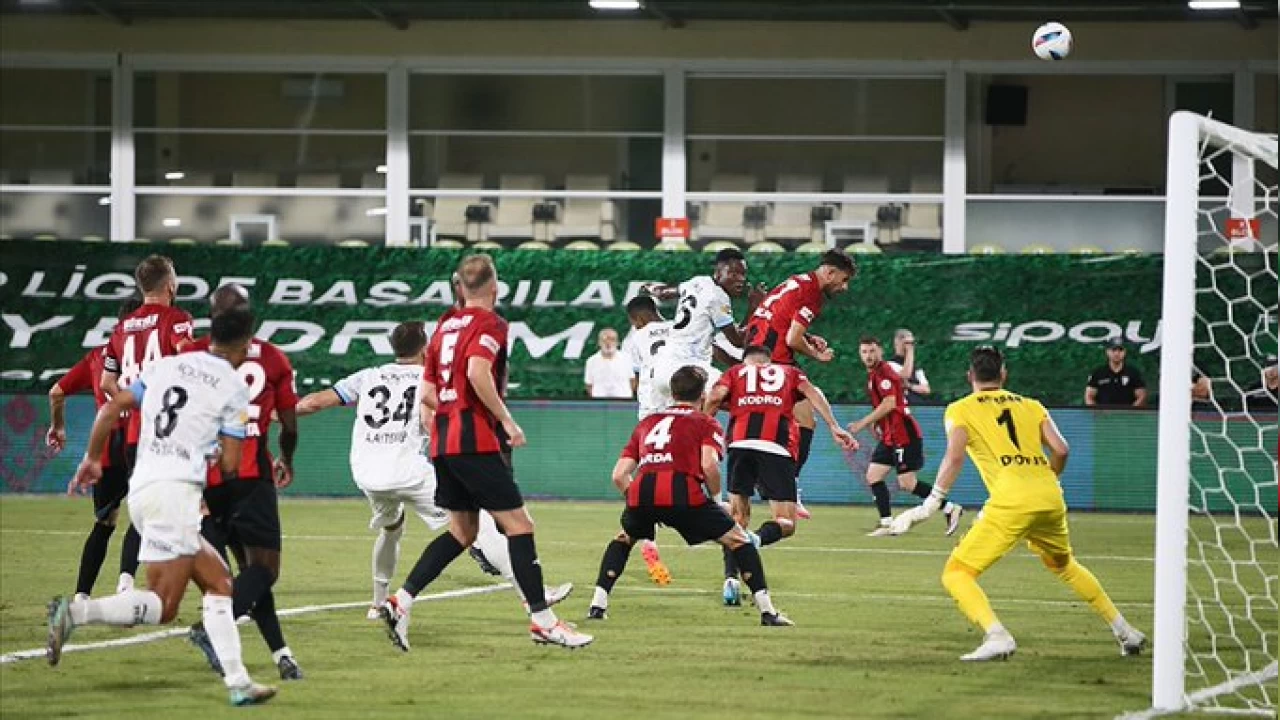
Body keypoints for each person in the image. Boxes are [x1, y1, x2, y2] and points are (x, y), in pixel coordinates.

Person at [50, 306, 277, 706]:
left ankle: (238, 681)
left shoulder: (168, 366)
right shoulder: (232, 385)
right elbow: (229, 462)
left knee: (220, 582)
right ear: (246, 343)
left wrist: (91, 459)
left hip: (143, 488)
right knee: (164, 605)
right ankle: (76, 614)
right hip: (175, 494)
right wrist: (210, 449)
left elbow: (109, 408)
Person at [377, 255, 591, 651]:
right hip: (474, 440)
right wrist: (506, 421)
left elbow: (426, 393)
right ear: (495, 287)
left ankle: (400, 601)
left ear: (460, 287)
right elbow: (477, 372)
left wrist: (444, 412)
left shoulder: (443, 327)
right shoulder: (490, 323)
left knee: (462, 531)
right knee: (519, 526)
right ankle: (543, 621)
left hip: (443, 442)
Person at [295, 320, 570, 620]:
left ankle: (376, 604)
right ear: (426, 349)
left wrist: (277, 412)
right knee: (480, 525)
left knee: (391, 529)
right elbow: (433, 417)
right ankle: (534, 597)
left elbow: (313, 403)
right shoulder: (430, 379)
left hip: (367, 473)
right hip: (408, 471)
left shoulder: (368, 377)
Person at [890, 346, 1147, 661]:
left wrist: (933, 501)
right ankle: (1125, 631)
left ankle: (997, 635)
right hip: (1050, 496)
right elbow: (1061, 449)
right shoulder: (1031, 405)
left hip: (1011, 499)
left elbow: (955, 456)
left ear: (970, 376)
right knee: (1064, 566)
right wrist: (1047, 480)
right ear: (1004, 375)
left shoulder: (960, 409)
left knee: (956, 573)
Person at [586, 365, 793, 627]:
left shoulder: (647, 423)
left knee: (624, 538)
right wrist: (716, 502)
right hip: (683, 494)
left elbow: (619, 475)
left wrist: (639, 499)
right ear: (703, 395)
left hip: (641, 492)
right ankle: (768, 612)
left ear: (672, 393)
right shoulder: (706, 422)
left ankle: (597, 605)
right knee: (740, 540)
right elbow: (709, 465)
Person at [184, 284, 303, 682]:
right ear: (248, 315)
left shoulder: (188, 355)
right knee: (265, 568)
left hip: (203, 480)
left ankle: (283, 656)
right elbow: (288, 422)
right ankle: (210, 631)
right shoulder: (270, 357)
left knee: (247, 572)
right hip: (249, 475)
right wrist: (285, 458)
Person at [703, 346, 856, 605]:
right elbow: (813, 393)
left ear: (746, 361)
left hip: (739, 446)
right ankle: (757, 539)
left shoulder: (735, 373)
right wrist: (833, 425)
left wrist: (703, 426)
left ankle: (731, 579)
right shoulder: (789, 373)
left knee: (737, 517)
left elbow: (716, 396)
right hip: (775, 449)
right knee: (786, 522)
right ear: (769, 361)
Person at [97, 255, 196, 596]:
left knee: (147, 508)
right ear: (170, 285)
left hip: (133, 433)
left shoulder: (122, 327)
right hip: (167, 433)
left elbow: (107, 381)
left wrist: (132, 402)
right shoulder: (178, 319)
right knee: (188, 507)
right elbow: (187, 359)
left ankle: (126, 581)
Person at [743, 249, 857, 519]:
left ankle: (771, 484)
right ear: (829, 272)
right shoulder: (812, 293)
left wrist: (809, 336)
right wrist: (817, 354)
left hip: (756, 352)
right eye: (843, 279)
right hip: (774, 358)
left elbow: (783, 322)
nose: (844, 286)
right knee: (805, 420)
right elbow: (794, 339)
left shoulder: (796, 281)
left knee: (774, 422)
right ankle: (786, 486)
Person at [46, 295, 144, 603]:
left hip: (105, 449)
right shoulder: (153, 354)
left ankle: (81, 597)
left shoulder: (97, 357)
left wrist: (58, 426)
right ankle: (125, 585)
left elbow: (56, 392)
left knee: (104, 523)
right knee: (143, 517)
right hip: (138, 440)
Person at [847, 336, 962, 536]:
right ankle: (886, 523)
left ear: (880, 351)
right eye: (864, 352)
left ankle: (950, 508)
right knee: (873, 476)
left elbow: (890, 403)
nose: (868, 355)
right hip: (890, 435)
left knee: (907, 483)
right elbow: (885, 404)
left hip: (903, 433)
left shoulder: (884, 373)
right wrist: (876, 424)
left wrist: (862, 423)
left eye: (872, 351)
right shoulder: (874, 374)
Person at [641, 247, 757, 415]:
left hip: (663, 370)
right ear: (718, 272)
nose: (740, 279)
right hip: (689, 371)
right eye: (733, 274)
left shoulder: (697, 281)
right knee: (739, 398)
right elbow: (738, 341)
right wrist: (753, 308)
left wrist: (651, 288)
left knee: (677, 424)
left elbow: (664, 293)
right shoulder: (718, 296)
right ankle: (706, 431)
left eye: (743, 274)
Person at [620, 294, 675, 585]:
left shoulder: (637, 338)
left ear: (637, 320)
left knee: (644, 476)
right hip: (680, 408)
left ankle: (646, 538)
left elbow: (641, 374)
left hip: (650, 414)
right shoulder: (680, 327)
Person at [1084, 338, 1147, 408]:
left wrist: (1130, 413)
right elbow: (1089, 397)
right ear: (1107, 352)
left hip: (1127, 417)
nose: (1117, 353)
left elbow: (1142, 397)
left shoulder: (1133, 372)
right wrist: (1097, 413)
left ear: (1125, 352)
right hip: (1104, 417)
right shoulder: (1098, 373)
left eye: (1120, 350)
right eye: (1113, 350)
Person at [583, 328, 633, 399]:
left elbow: (632, 380)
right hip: (600, 404)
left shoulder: (627, 359)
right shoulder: (591, 361)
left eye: (612, 339)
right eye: (604, 340)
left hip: (623, 403)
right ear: (599, 342)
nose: (608, 343)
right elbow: (588, 384)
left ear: (617, 342)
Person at [888, 328, 931, 406]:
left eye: (911, 343)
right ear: (897, 343)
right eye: (907, 343)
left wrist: (910, 386)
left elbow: (926, 389)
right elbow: (905, 375)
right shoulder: (890, 364)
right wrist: (910, 352)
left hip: (918, 406)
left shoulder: (916, 366)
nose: (910, 346)